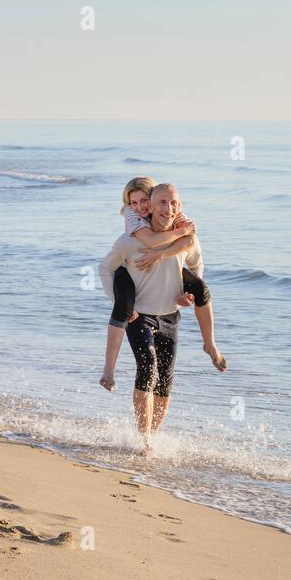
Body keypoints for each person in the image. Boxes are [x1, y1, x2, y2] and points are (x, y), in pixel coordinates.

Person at [99, 177, 227, 394]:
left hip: (167, 303)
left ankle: (210, 343)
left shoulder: (171, 212)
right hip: (126, 271)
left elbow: (191, 249)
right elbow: (150, 241)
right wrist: (178, 237)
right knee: (123, 308)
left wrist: (185, 292)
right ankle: (108, 370)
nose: (139, 207)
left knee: (201, 288)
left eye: (144, 201)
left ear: (153, 199)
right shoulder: (133, 220)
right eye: (133, 203)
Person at [98, 184, 197, 455]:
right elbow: (105, 268)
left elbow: (196, 265)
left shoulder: (184, 239)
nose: (167, 208)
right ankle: (144, 441)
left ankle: (153, 434)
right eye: (160, 203)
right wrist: (118, 302)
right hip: (139, 316)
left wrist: (188, 294)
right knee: (147, 366)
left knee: (165, 379)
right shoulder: (129, 240)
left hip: (170, 317)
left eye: (172, 203)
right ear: (151, 206)